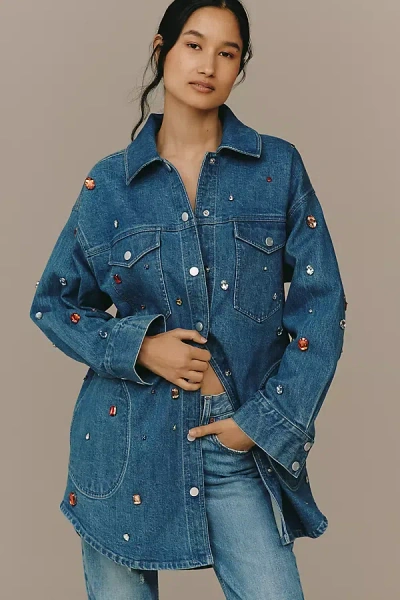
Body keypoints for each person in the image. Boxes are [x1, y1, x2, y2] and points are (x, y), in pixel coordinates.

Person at [30, 0, 347, 598]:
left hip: (233, 440)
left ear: (240, 67)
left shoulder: (277, 168)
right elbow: (53, 302)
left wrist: (264, 423)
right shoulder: (110, 185)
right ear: (163, 49)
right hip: (125, 448)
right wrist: (141, 348)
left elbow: (322, 306)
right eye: (194, 45)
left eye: (227, 53)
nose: (208, 65)